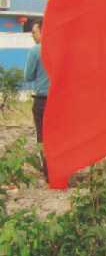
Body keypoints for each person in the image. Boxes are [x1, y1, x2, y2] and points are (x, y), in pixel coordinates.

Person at [24, 20, 50, 182]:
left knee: (43, 137)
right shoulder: (60, 48)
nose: (32, 35)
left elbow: (28, 76)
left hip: (42, 100)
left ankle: (49, 173)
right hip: (59, 101)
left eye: (34, 32)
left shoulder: (35, 50)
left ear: (43, 32)